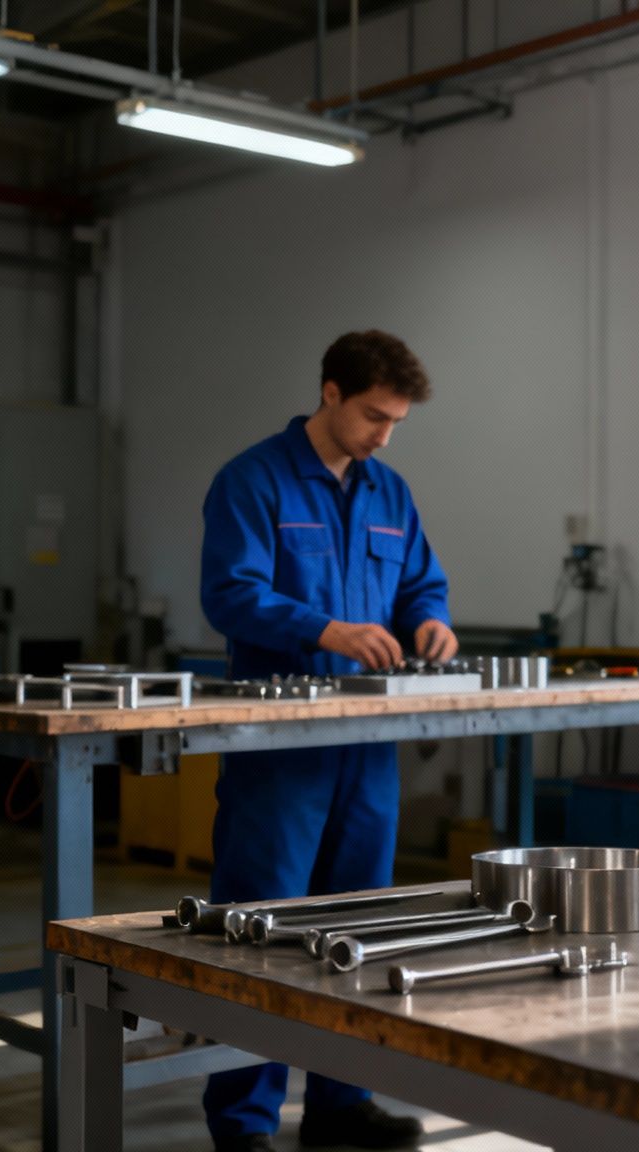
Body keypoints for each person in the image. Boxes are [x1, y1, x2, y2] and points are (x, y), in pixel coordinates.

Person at [197, 330, 454, 1152]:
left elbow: (421, 583)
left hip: (366, 746)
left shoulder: (390, 493)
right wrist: (325, 630)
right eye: (375, 416)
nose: (385, 435)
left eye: (396, 422)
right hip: (280, 749)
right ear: (331, 392)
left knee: (361, 925)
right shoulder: (253, 480)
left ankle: (342, 1106)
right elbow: (230, 593)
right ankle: (243, 1123)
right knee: (263, 929)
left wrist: (430, 621)